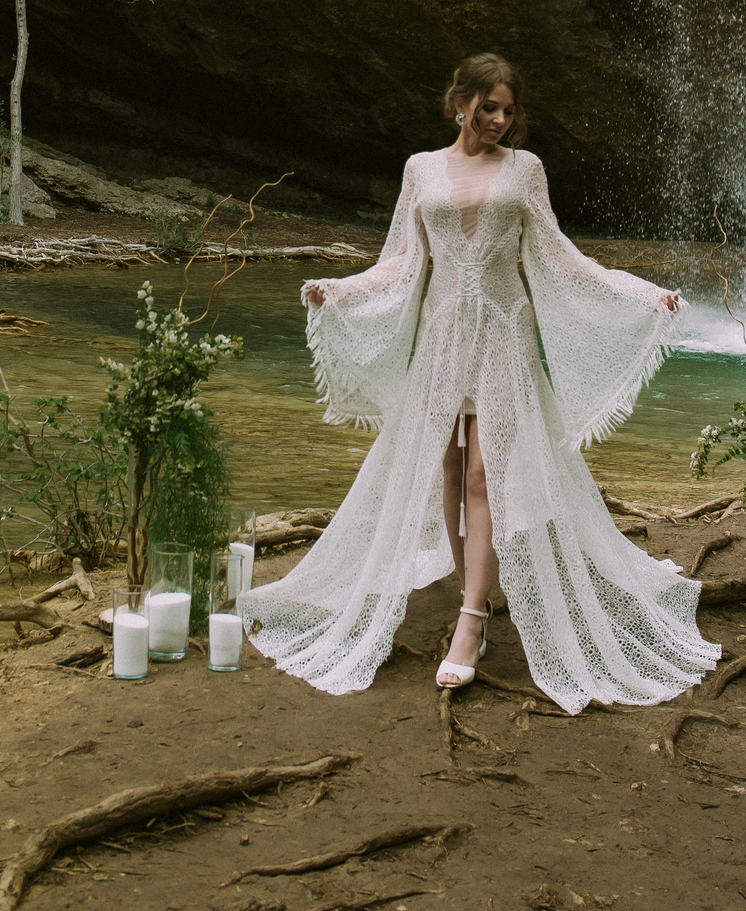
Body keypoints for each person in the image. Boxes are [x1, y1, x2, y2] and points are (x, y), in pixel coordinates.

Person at [241, 53, 719, 711]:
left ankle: (471, 618)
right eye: (487, 106)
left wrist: (639, 294)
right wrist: (339, 290)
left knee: (483, 476)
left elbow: (559, 254)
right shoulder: (420, 168)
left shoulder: (524, 171)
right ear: (459, 101)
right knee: (446, 467)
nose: (498, 119)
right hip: (440, 343)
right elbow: (403, 261)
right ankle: (477, 584)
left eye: (508, 110)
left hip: (501, 341)